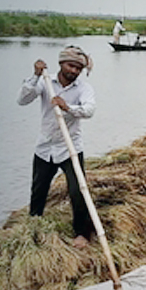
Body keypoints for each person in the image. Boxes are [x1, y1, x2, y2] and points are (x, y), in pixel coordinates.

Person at [17, 46, 96, 248]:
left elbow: (89, 110)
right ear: (61, 64)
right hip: (45, 147)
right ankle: (34, 228)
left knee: (78, 190)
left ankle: (82, 233)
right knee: (38, 190)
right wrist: (35, 76)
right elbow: (22, 100)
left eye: (79, 68)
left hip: (70, 148)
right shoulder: (45, 82)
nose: (74, 71)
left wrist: (68, 107)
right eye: (71, 66)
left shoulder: (83, 88)